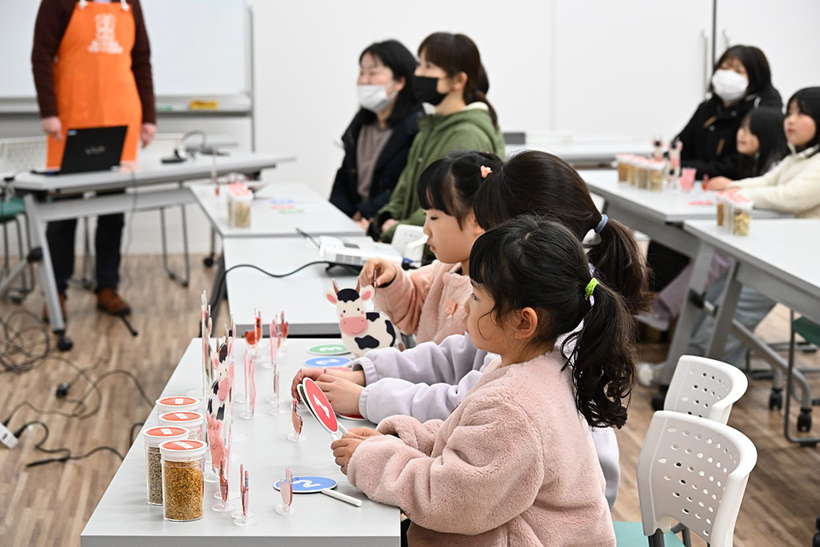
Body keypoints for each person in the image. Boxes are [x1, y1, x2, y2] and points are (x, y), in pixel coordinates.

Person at [293, 151, 653, 508]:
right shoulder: (531, 314)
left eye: (492, 227)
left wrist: (367, 406)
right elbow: (457, 366)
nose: (483, 236)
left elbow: (457, 477)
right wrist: (364, 376)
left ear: (533, 236)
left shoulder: (534, 368)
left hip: (548, 518)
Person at [331, 216, 632, 546]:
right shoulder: (536, 366)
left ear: (523, 321)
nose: (465, 309)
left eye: (476, 297)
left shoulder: (514, 408)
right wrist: (404, 438)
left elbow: (447, 499)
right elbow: (465, 438)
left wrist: (372, 459)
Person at [646, 87, 820, 390]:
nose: (790, 120)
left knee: (730, 313)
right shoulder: (798, 158)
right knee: (714, 299)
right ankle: (685, 376)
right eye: (789, 112)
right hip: (776, 256)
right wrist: (734, 187)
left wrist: (736, 191)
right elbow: (766, 183)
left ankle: (694, 386)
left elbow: (787, 197)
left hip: (797, 266)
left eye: (801, 113)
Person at [32, 0, 156, 318]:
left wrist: (148, 117)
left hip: (119, 121)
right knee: (62, 215)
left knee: (112, 212)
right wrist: (49, 112)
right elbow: (41, 56)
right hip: (71, 121)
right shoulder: (58, 3)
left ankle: (107, 288)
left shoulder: (130, 5)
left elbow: (141, 61)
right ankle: (56, 292)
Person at [646, 45, 783, 307]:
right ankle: (654, 314)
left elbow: (735, 167)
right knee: (663, 235)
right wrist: (673, 161)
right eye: (725, 67)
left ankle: (666, 311)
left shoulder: (761, 116)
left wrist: (688, 166)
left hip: (729, 202)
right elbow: (679, 145)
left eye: (738, 70)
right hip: (694, 193)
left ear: (755, 76)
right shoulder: (708, 108)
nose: (728, 74)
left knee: (704, 252)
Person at [638, 106, 788, 335]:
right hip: (746, 234)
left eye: (750, 131)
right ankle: (666, 316)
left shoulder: (775, 168)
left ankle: (664, 309)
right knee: (686, 247)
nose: (741, 135)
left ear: (767, 136)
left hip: (763, 245)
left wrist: (731, 188)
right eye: (741, 129)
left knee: (713, 255)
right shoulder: (756, 165)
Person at [369, 32, 505, 243]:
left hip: (432, 251)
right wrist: (386, 218)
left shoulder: (467, 134)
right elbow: (403, 191)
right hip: (411, 244)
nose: (419, 73)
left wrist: (394, 231)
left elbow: (444, 205)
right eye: (419, 64)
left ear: (459, 80)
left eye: (429, 66)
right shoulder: (430, 126)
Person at [359, 151, 503, 344]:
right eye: (425, 216)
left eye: (434, 217)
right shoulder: (443, 270)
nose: (426, 229)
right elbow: (411, 306)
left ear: (475, 220)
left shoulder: (492, 296)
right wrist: (391, 278)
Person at [329, 40, 422, 226]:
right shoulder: (360, 125)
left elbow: (403, 189)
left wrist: (363, 214)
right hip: (352, 223)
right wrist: (340, 215)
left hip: (382, 224)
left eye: (372, 73)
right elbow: (344, 177)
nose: (363, 81)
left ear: (400, 81)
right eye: (361, 72)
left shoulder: (415, 128)